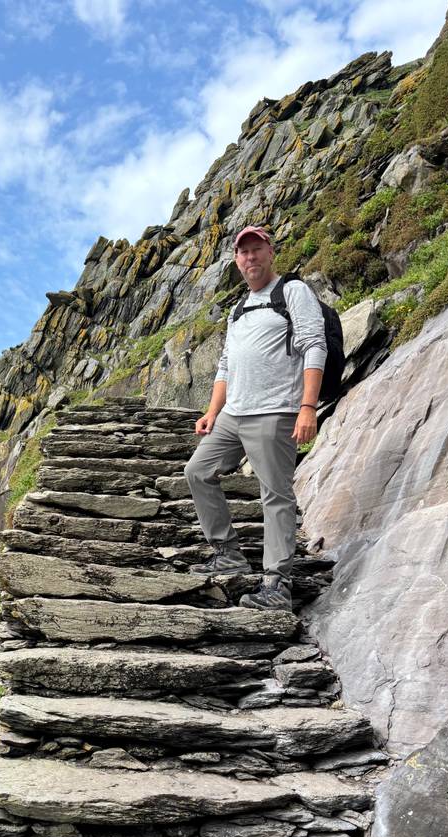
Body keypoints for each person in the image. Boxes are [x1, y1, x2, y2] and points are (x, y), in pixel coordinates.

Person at [184, 225, 327, 612]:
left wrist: (307, 407)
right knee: (197, 471)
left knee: (275, 495)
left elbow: (315, 345)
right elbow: (226, 364)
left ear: (270, 252)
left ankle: (277, 585)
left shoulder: (292, 292)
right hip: (234, 412)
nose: (250, 257)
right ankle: (227, 552)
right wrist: (213, 412)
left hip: (275, 410)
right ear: (236, 260)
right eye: (243, 252)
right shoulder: (238, 307)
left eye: (256, 249)